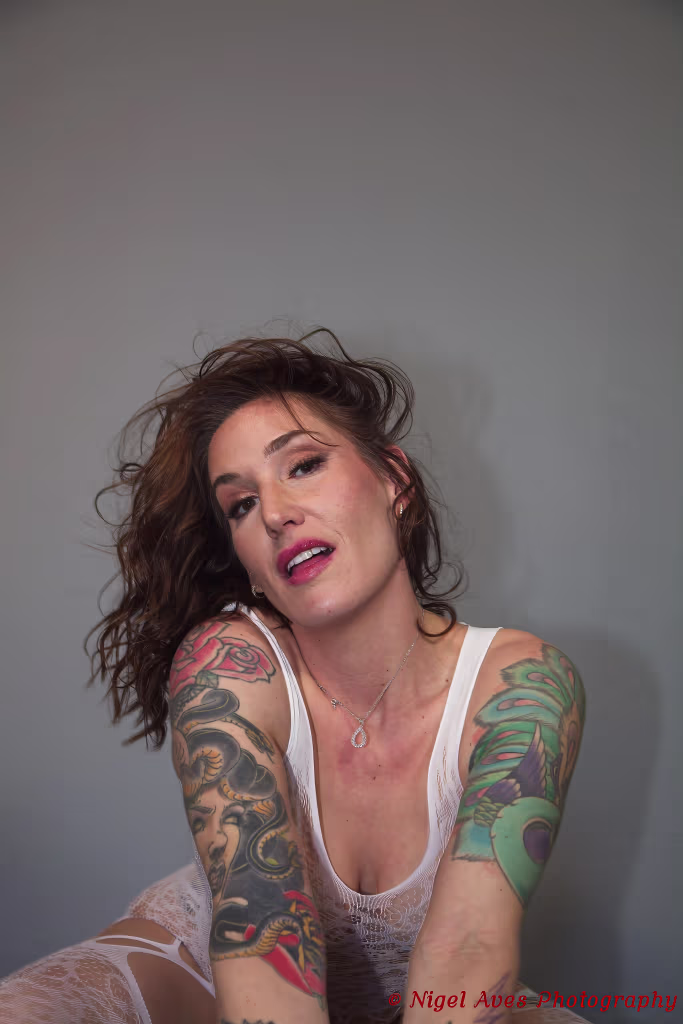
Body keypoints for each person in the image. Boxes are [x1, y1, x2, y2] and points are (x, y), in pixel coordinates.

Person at [0, 329, 586, 1024]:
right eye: (241, 505)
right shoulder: (229, 664)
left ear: (394, 482)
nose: (275, 513)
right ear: (247, 563)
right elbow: (264, 940)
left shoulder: (519, 685)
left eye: (303, 465)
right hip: (213, 978)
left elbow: (468, 948)